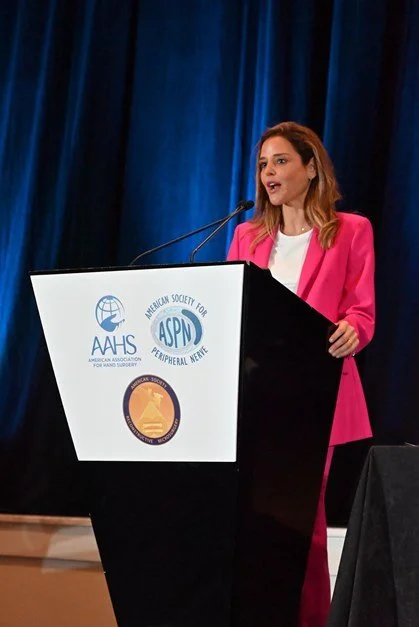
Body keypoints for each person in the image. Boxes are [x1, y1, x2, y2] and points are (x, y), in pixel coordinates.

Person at [227, 121, 375, 627]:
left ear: (311, 168)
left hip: (315, 396)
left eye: (281, 160)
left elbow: (361, 311)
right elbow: (231, 311)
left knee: (301, 522)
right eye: (263, 164)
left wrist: (354, 329)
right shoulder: (246, 236)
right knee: (254, 523)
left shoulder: (350, 230)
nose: (268, 172)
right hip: (253, 398)